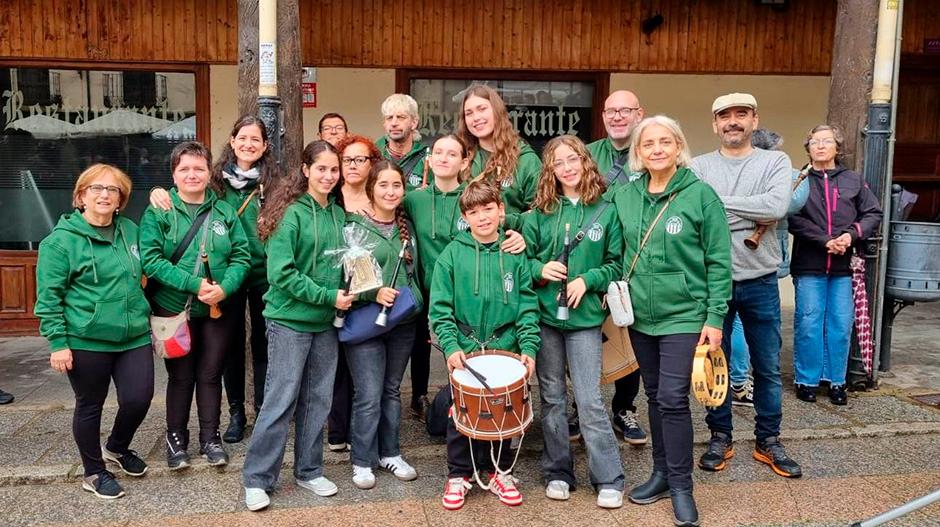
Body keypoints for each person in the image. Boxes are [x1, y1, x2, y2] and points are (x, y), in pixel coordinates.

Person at [613, 115, 731, 527]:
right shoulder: (625, 196)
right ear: (638, 152)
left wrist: (715, 316)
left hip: (685, 315)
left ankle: (682, 486)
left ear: (678, 146)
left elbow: (719, 261)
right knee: (654, 395)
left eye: (665, 141)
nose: (657, 149)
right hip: (640, 317)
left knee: (672, 399)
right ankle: (661, 474)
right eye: (648, 144)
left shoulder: (700, 195)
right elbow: (611, 246)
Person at [691, 93, 803, 479]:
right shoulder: (698, 166)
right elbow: (699, 218)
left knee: (767, 366)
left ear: (755, 120)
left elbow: (776, 208)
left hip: (760, 280)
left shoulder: (775, 161)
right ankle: (719, 436)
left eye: (742, 114)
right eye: (725, 116)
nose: (733, 122)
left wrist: (718, 205)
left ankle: (768, 439)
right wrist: (751, 207)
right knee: (714, 364)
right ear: (715, 124)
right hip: (713, 284)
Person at [242, 140, 354, 511]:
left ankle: (309, 470)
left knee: (318, 400)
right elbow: (281, 274)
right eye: (321, 168)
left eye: (334, 169)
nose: (329, 175)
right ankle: (257, 479)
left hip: (325, 322)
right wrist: (328, 296)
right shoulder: (290, 213)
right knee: (281, 399)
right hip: (289, 320)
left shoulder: (338, 213)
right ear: (305, 170)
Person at [149, 115, 276, 443]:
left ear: (265, 145)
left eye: (255, 139)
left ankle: (263, 412)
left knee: (263, 344)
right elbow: (184, 190)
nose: (248, 144)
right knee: (230, 348)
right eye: (242, 138)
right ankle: (236, 413)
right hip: (220, 279)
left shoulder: (275, 182)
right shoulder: (214, 179)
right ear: (232, 141)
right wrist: (158, 191)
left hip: (262, 272)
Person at [35, 164, 154, 499]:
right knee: (90, 405)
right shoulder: (59, 243)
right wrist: (58, 342)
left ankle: (116, 447)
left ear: (121, 199)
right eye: (96, 188)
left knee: (138, 398)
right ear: (81, 196)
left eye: (112, 189)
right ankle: (94, 472)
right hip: (86, 339)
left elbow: (153, 264)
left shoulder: (130, 230)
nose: (104, 194)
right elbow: (48, 298)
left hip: (133, 335)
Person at [524, 135, 625, 509]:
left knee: (589, 398)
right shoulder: (539, 213)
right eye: (558, 162)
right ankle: (557, 472)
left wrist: (589, 280)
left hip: (584, 320)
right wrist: (540, 269)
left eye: (572, 159)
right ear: (549, 170)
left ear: (585, 162)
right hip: (546, 317)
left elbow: (616, 263)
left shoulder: (606, 210)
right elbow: (522, 263)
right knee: (552, 398)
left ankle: (608, 477)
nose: (566, 168)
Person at [140, 142, 251, 470]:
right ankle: (176, 439)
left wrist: (224, 288)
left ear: (209, 173)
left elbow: (241, 256)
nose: (192, 174)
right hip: (173, 308)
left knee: (211, 373)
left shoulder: (224, 211)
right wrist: (194, 284)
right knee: (181, 376)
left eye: (199, 168)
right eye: (184, 169)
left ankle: (210, 438)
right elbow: (151, 260)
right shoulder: (159, 211)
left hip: (217, 309)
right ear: (173, 174)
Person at [430, 181, 540, 511]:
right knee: (461, 412)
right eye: (474, 212)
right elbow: (440, 307)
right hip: (465, 348)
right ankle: (459, 474)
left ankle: (499, 471)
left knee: (503, 412)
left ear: (500, 210)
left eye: (488, 209)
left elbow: (528, 306)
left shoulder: (515, 255)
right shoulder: (452, 254)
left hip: (505, 346)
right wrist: (451, 345)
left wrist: (528, 347)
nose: (482, 217)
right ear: (465, 217)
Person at [402, 134, 528, 422]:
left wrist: (517, 235)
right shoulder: (415, 199)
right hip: (426, 287)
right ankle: (421, 398)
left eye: (452, 153)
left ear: (464, 161)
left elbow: (511, 218)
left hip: (466, 293)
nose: (443, 158)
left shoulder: (472, 198)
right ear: (429, 159)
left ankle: (471, 409)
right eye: (438, 152)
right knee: (422, 342)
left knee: (464, 352)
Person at [789, 125, 882, 405]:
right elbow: (792, 217)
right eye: (814, 141)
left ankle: (836, 381)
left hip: (844, 267)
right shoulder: (799, 179)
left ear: (837, 147)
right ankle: (807, 379)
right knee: (809, 322)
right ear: (808, 148)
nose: (820, 146)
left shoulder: (853, 179)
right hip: (810, 263)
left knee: (841, 324)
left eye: (826, 141)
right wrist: (825, 240)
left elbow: (872, 212)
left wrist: (850, 235)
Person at [344, 161, 423, 489]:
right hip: (366, 320)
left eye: (396, 185)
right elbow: (346, 279)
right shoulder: (355, 227)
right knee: (368, 392)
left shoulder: (408, 227)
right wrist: (374, 293)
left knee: (391, 389)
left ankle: (390, 452)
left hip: (403, 321)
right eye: (383, 185)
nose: (390, 192)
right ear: (371, 188)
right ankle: (363, 459)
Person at [581, 89, 648, 445]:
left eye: (625, 110)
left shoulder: (649, 151)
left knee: (627, 334)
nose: (617, 117)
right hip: (594, 256)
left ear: (639, 113)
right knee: (584, 334)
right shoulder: (588, 153)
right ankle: (579, 406)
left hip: (635, 259)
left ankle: (624, 407)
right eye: (611, 111)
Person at [727, 128, 810, 408]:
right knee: (740, 325)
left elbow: (784, 204)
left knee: (751, 332)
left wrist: (740, 206)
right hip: (745, 261)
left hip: (764, 259)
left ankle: (740, 381)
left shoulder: (779, 172)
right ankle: (739, 381)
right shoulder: (767, 175)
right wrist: (760, 207)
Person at [325, 134, 382, 453]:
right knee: (336, 365)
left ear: (373, 163)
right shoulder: (330, 199)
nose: (353, 165)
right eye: (347, 159)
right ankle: (337, 429)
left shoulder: (380, 197)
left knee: (364, 369)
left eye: (361, 159)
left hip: (372, 294)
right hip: (334, 291)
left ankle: (363, 432)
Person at [457, 84, 541, 230]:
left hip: (510, 240)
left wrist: (509, 223)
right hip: (466, 242)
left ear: (497, 111)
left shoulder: (525, 160)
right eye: (469, 113)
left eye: (482, 109)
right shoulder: (459, 156)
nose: (476, 118)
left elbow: (540, 213)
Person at [376, 94, 427, 190]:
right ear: (384, 123)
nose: (394, 123)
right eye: (389, 118)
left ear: (414, 122)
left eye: (400, 117)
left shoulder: (428, 157)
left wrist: (428, 193)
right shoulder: (373, 154)